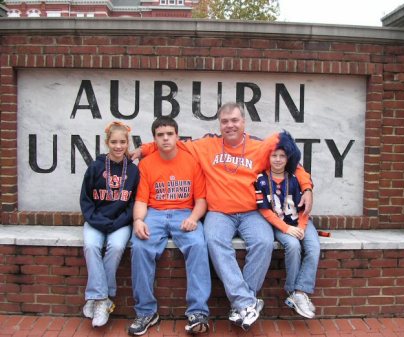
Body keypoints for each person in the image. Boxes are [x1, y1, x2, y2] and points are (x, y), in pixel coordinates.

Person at [133, 102, 314, 330]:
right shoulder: (206, 145)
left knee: (264, 242)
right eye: (225, 121)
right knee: (215, 241)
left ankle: (241, 303)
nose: (230, 126)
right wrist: (143, 150)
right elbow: (170, 145)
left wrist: (307, 188)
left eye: (235, 121)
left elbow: (292, 162)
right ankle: (246, 303)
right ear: (220, 124)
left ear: (243, 122)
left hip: (252, 212)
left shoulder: (258, 147)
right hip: (219, 213)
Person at [128, 116, 210, 336]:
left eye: (169, 134)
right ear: (154, 139)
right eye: (160, 135)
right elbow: (142, 200)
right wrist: (138, 221)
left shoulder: (192, 160)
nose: (165, 138)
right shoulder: (147, 163)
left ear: (177, 136)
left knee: (198, 245)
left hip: (184, 213)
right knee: (139, 246)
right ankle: (146, 312)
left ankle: (198, 312)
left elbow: (201, 200)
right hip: (154, 213)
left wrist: (194, 218)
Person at [255, 131, 320, 319]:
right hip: (281, 225)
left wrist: (300, 226)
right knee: (292, 245)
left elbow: (304, 210)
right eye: (274, 155)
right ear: (268, 157)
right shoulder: (261, 180)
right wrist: (287, 229)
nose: (277, 159)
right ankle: (291, 290)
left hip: (301, 222)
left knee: (313, 247)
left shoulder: (295, 179)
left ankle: (301, 292)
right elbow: (265, 211)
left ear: (288, 158)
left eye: (282, 156)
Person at [80, 121, 139, 327]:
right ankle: (102, 299)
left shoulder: (133, 171)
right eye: (114, 142)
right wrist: (99, 222)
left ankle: (95, 298)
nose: (118, 146)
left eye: (122, 142)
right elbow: (86, 200)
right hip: (96, 221)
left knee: (116, 246)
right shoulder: (95, 167)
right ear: (107, 143)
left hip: (120, 223)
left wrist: (118, 223)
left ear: (127, 143)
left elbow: (133, 203)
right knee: (91, 246)